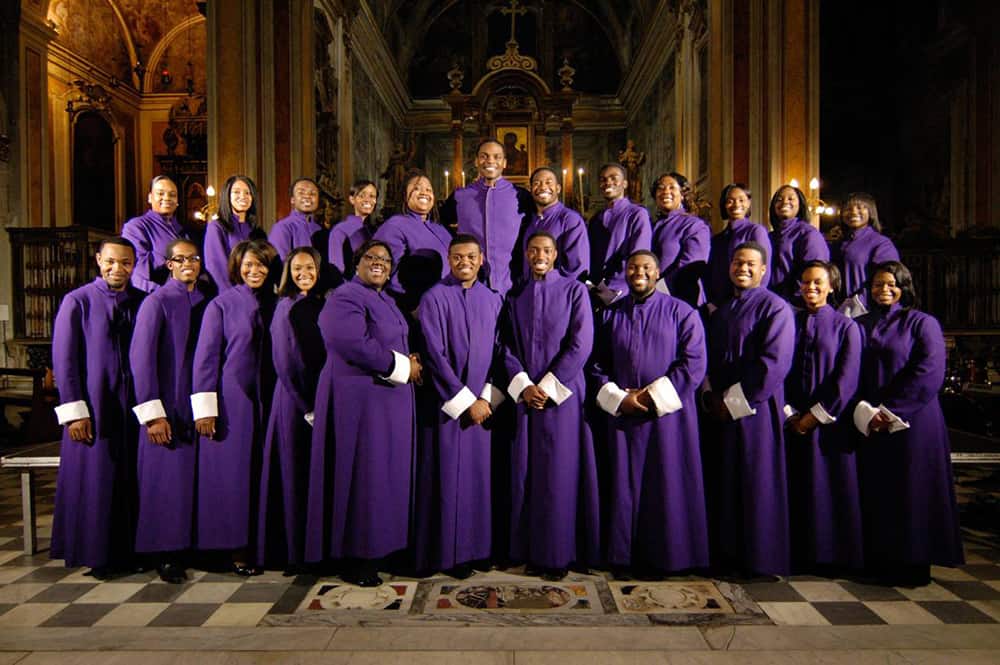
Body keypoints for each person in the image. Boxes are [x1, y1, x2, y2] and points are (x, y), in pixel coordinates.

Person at [305, 239, 422, 587]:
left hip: (386, 400)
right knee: (363, 477)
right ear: (357, 262)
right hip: (359, 399)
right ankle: (357, 557)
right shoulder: (345, 296)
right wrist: (402, 366)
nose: (379, 263)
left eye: (385, 260)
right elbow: (352, 342)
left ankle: (383, 549)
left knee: (386, 477)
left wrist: (409, 361)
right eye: (371, 257)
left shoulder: (385, 298)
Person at [590, 250, 709, 577]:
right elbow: (597, 364)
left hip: (665, 418)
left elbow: (694, 362)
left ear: (657, 273)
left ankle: (667, 556)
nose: (638, 273)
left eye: (645, 268)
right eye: (632, 268)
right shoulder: (610, 314)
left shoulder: (682, 312)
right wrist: (617, 398)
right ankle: (622, 556)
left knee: (665, 484)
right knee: (622, 485)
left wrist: (651, 397)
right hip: (623, 415)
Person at [852, 261, 963, 586]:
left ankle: (913, 564)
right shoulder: (860, 323)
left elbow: (929, 372)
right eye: (876, 285)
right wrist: (865, 411)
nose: (883, 290)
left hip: (913, 421)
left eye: (891, 284)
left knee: (913, 492)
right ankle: (878, 560)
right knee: (879, 491)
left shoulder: (921, 323)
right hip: (869, 419)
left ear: (904, 286)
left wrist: (890, 412)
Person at [501, 231, 600, 580]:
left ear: (556, 254)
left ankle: (558, 555)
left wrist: (547, 385)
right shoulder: (516, 295)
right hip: (528, 397)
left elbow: (581, 342)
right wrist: (525, 386)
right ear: (526, 254)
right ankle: (525, 550)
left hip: (563, 397)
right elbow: (507, 346)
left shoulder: (574, 290)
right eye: (533, 250)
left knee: (559, 476)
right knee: (526, 474)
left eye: (546, 250)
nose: (539, 255)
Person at [50, 237, 145, 577]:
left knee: (130, 478)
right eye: (111, 261)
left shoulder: (141, 301)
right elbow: (64, 360)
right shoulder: (77, 302)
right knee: (98, 480)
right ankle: (99, 554)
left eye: (126, 263)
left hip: (131, 406)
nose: (118, 268)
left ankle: (131, 550)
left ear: (134, 265)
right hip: (95, 407)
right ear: (98, 260)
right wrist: (75, 412)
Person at [414, 234, 505, 577]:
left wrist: (486, 398)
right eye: (457, 257)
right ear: (448, 259)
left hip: (483, 407)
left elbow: (500, 351)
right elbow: (434, 353)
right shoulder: (434, 297)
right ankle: (445, 554)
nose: (463, 262)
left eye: (470, 256)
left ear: (481, 260)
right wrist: (465, 399)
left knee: (479, 483)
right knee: (445, 480)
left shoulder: (493, 300)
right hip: (447, 406)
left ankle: (477, 550)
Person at [703, 241, 794, 577]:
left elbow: (774, 363)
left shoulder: (776, 308)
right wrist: (712, 396)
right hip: (722, 409)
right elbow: (709, 359)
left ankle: (759, 559)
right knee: (727, 482)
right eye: (737, 262)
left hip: (755, 409)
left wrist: (734, 403)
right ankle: (727, 555)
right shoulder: (725, 309)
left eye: (751, 264)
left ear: (763, 270)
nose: (743, 268)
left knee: (757, 481)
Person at [192, 239, 279, 575]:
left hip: (269, 398)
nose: (254, 271)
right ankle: (234, 549)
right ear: (237, 267)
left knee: (264, 474)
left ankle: (265, 545)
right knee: (234, 477)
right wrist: (205, 408)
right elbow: (206, 359)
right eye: (248, 265)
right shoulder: (222, 305)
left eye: (261, 265)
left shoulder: (278, 302)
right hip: (232, 402)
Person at [129, 238, 207, 583]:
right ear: (169, 265)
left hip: (198, 406)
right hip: (168, 409)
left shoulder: (206, 300)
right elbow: (141, 360)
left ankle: (191, 547)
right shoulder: (156, 302)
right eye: (180, 259)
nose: (188, 263)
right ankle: (165, 554)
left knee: (192, 484)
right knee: (165, 484)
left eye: (193, 258)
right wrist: (153, 414)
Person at [784, 261, 863, 574]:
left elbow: (846, 380)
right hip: (793, 421)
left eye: (817, 283)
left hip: (830, 423)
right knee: (798, 487)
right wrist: (790, 414)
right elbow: (783, 373)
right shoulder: (791, 322)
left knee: (828, 488)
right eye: (805, 283)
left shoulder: (847, 327)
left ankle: (830, 557)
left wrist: (813, 418)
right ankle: (798, 552)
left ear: (831, 287)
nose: (810, 289)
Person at [441, 139, 533, 296]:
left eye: (497, 157)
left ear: (504, 163)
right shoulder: (460, 196)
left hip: (512, 285)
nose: (490, 161)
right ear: (476, 161)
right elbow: (442, 228)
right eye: (484, 156)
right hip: (471, 285)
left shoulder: (522, 197)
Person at [374, 172, 452, 310]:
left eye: (429, 190)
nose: (424, 192)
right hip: (414, 307)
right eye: (417, 188)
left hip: (446, 304)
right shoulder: (394, 226)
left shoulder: (440, 228)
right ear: (404, 195)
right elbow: (383, 271)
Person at [587, 163, 652, 305]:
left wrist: (615, 289)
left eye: (613, 178)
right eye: (603, 179)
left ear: (625, 183)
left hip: (623, 291)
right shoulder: (595, 219)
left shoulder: (637, 214)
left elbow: (638, 254)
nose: (608, 182)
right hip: (596, 291)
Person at [830, 192, 900, 316]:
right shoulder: (838, 244)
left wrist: (857, 304)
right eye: (848, 208)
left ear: (871, 212)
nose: (853, 212)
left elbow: (888, 279)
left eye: (860, 207)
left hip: (866, 310)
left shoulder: (881, 243)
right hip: (838, 308)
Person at [705, 183, 771, 307]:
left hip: (749, 302)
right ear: (724, 205)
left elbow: (764, 270)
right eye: (730, 201)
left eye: (741, 200)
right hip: (720, 305)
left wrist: (753, 300)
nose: (736, 204)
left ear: (749, 203)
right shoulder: (717, 239)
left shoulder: (755, 231)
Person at [650, 172, 709, 308]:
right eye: (661, 188)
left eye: (672, 187)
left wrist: (658, 289)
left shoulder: (694, 225)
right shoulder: (653, 226)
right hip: (652, 299)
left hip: (681, 299)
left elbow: (691, 265)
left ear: (682, 194)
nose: (665, 191)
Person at [520, 166, 589, 283]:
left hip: (558, 291)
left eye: (548, 182)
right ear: (530, 189)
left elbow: (577, 267)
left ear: (558, 188)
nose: (542, 187)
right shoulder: (528, 220)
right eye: (537, 183)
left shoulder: (570, 219)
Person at [121, 176, 189, 293]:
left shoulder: (184, 231)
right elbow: (138, 269)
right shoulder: (137, 226)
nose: (167, 198)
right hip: (151, 294)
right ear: (150, 197)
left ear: (177, 201)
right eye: (160, 193)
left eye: (172, 195)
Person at [767, 185, 829, 302]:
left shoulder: (809, 234)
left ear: (800, 205)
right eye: (779, 199)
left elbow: (816, 272)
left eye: (791, 199)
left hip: (797, 303)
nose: (785, 202)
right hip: (771, 300)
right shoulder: (769, 236)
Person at [204, 175, 264, 290]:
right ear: (227, 196)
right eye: (236, 192)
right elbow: (216, 268)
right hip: (230, 295)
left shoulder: (257, 231)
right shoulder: (217, 227)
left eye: (248, 193)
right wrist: (235, 297)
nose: (243, 196)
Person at [328, 179, 378, 285]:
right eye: (362, 195)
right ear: (352, 199)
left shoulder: (376, 230)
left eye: (372, 196)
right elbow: (336, 269)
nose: (367, 200)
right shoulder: (340, 230)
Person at [268, 178, 323, 261]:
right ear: (292, 200)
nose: (307, 196)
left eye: (313, 193)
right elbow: (278, 264)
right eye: (301, 192)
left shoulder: (320, 229)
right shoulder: (282, 228)